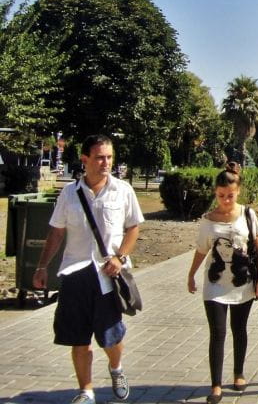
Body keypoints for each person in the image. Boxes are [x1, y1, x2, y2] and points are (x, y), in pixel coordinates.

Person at [33, 134, 144, 404]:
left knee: (110, 337)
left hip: (108, 275)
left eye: (109, 157)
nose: (105, 162)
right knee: (78, 338)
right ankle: (87, 390)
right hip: (75, 274)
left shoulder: (123, 190)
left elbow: (133, 228)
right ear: (85, 160)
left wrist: (120, 256)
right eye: (99, 157)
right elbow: (56, 233)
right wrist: (42, 266)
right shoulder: (70, 194)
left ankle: (116, 368)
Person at [187, 163, 258, 404]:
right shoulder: (208, 220)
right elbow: (202, 250)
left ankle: (239, 372)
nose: (226, 200)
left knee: (239, 329)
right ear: (215, 193)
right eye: (221, 195)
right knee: (217, 333)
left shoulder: (248, 214)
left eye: (230, 195)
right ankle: (216, 385)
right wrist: (191, 275)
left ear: (238, 191)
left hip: (243, 283)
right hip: (215, 284)